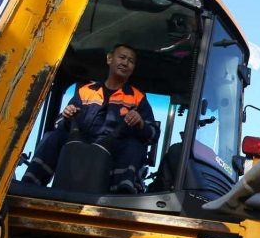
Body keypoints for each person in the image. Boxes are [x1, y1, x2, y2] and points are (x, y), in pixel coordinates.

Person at [23, 44, 158, 193]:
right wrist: (67, 116)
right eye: (122, 57)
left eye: (131, 61)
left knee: (134, 146)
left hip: (115, 148)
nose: (126, 63)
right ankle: (30, 184)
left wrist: (139, 123)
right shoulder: (85, 91)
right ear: (109, 59)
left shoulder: (137, 97)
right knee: (53, 136)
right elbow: (59, 123)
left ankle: (121, 192)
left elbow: (153, 133)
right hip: (81, 140)